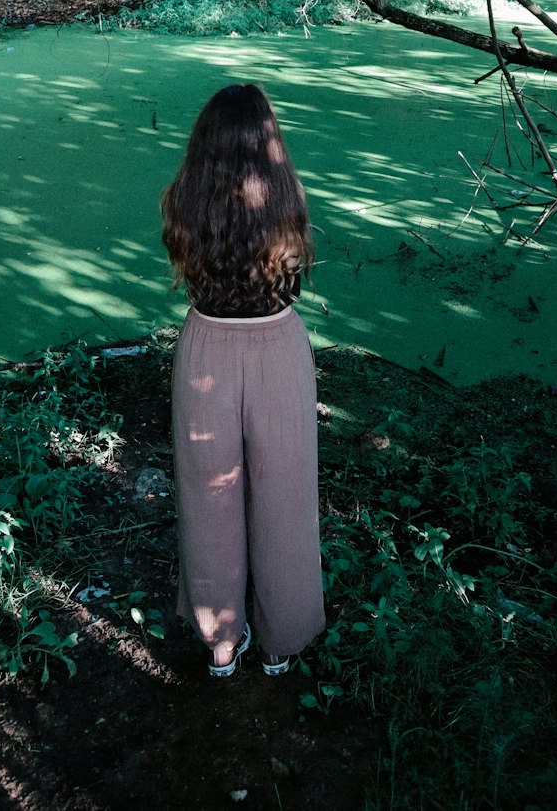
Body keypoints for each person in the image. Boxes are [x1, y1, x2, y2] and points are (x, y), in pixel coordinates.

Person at [161, 82, 326, 679]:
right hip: (278, 350)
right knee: (285, 497)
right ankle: (280, 643)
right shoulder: (287, 202)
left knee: (208, 497)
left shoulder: (183, 201)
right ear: (269, 142)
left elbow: (183, 261)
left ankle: (221, 645)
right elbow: (296, 274)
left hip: (205, 350)